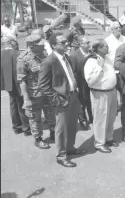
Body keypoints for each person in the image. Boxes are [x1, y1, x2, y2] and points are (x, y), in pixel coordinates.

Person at [38, 32, 87, 168]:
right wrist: (56, 99)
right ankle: (61, 156)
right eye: (62, 42)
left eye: (66, 41)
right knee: (61, 129)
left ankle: (70, 148)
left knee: (72, 126)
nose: (66, 44)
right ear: (53, 45)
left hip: (73, 96)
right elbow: (43, 85)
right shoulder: (49, 61)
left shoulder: (67, 58)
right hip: (62, 99)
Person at [17, 33, 55, 149]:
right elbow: (21, 80)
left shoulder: (44, 54)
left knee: (51, 114)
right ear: (32, 46)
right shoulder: (23, 59)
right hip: (34, 94)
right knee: (35, 118)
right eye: (40, 44)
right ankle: (38, 139)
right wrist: (26, 99)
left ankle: (54, 133)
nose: (44, 46)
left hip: (47, 92)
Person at [84, 39, 118, 153]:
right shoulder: (91, 61)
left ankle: (108, 138)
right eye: (106, 46)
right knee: (100, 119)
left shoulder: (107, 58)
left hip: (112, 92)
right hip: (100, 94)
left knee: (111, 117)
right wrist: (99, 67)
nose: (108, 48)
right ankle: (99, 143)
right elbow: (89, 80)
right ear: (98, 48)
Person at [1, 36, 30, 135]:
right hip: (19, 82)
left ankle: (17, 127)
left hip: (8, 84)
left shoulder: (1, 54)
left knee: (13, 104)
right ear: (10, 42)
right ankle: (26, 128)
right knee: (21, 104)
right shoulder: (17, 53)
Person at [69, 36, 93, 130]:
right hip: (80, 83)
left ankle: (92, 118)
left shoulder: (91, 53)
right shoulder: (74, 55)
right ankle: (83, 120)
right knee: (82, 102)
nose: (89, 44)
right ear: (81, 44)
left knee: (90, 101)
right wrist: (75, 85)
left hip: (90, 82)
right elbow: (72, 71)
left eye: (89, 42)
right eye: (87, 43)